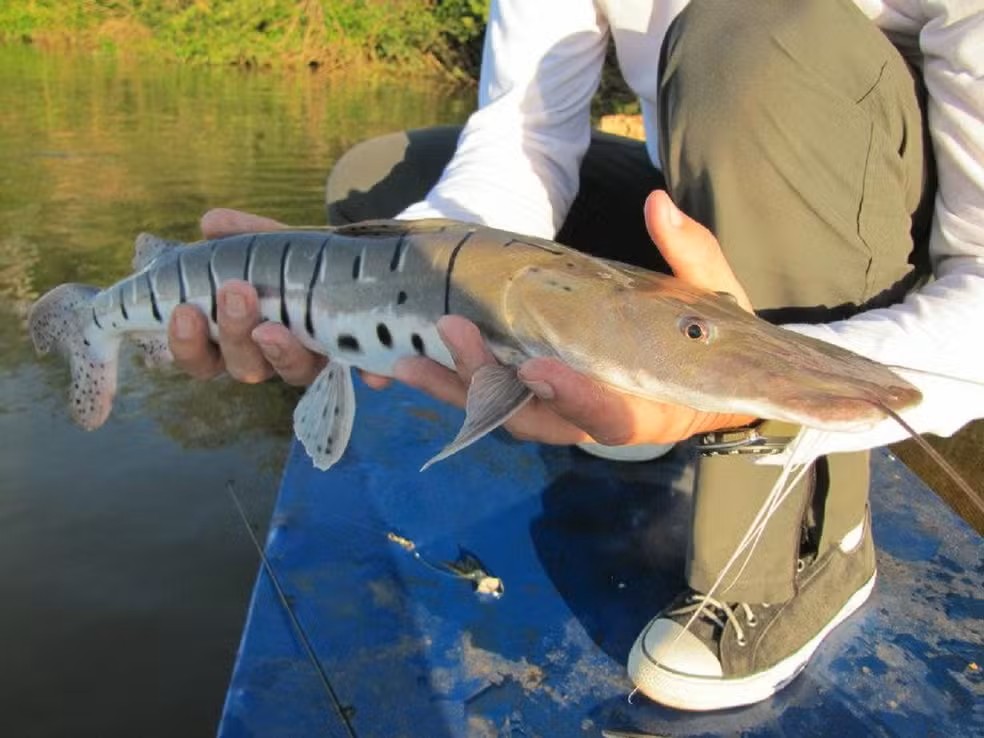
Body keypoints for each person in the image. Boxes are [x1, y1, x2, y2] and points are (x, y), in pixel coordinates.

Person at [167, 0, 984, 711]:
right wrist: (351, 278)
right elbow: (521, 134)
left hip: (872, 221)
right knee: (382, 182)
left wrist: (762, 382)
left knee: (755, 28)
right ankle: (618, 388)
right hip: (689, 194)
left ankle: (805, 550)